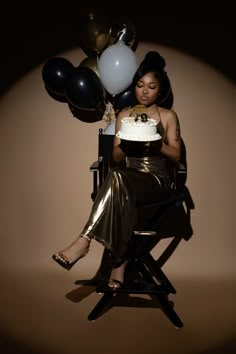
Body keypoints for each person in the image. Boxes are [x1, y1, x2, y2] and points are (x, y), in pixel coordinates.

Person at [52, 51, 182, 290]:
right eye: (140, 85)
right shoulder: (124, 115)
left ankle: (85, 240)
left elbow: (176, 155)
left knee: (117, 179)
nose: (144, 91)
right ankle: (118, 263)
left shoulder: (168, 116)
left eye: (151, 86)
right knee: (119, 177)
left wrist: (157, 145)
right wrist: (126, 145)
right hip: (126, 178)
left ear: (160, 89)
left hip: (156, 180)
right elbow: (116, 157)